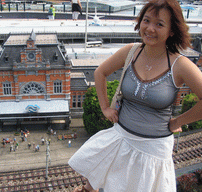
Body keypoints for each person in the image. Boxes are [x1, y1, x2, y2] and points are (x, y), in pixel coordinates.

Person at [68, 0, 202, 192]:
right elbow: (100, 73)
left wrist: (177, 122)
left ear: (172, 31)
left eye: (159, 24)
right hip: (120, 139)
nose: (149, 28)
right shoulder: (132, 52)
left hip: (153, 150)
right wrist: (105, 108)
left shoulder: (179, 65)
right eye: (146, 20)